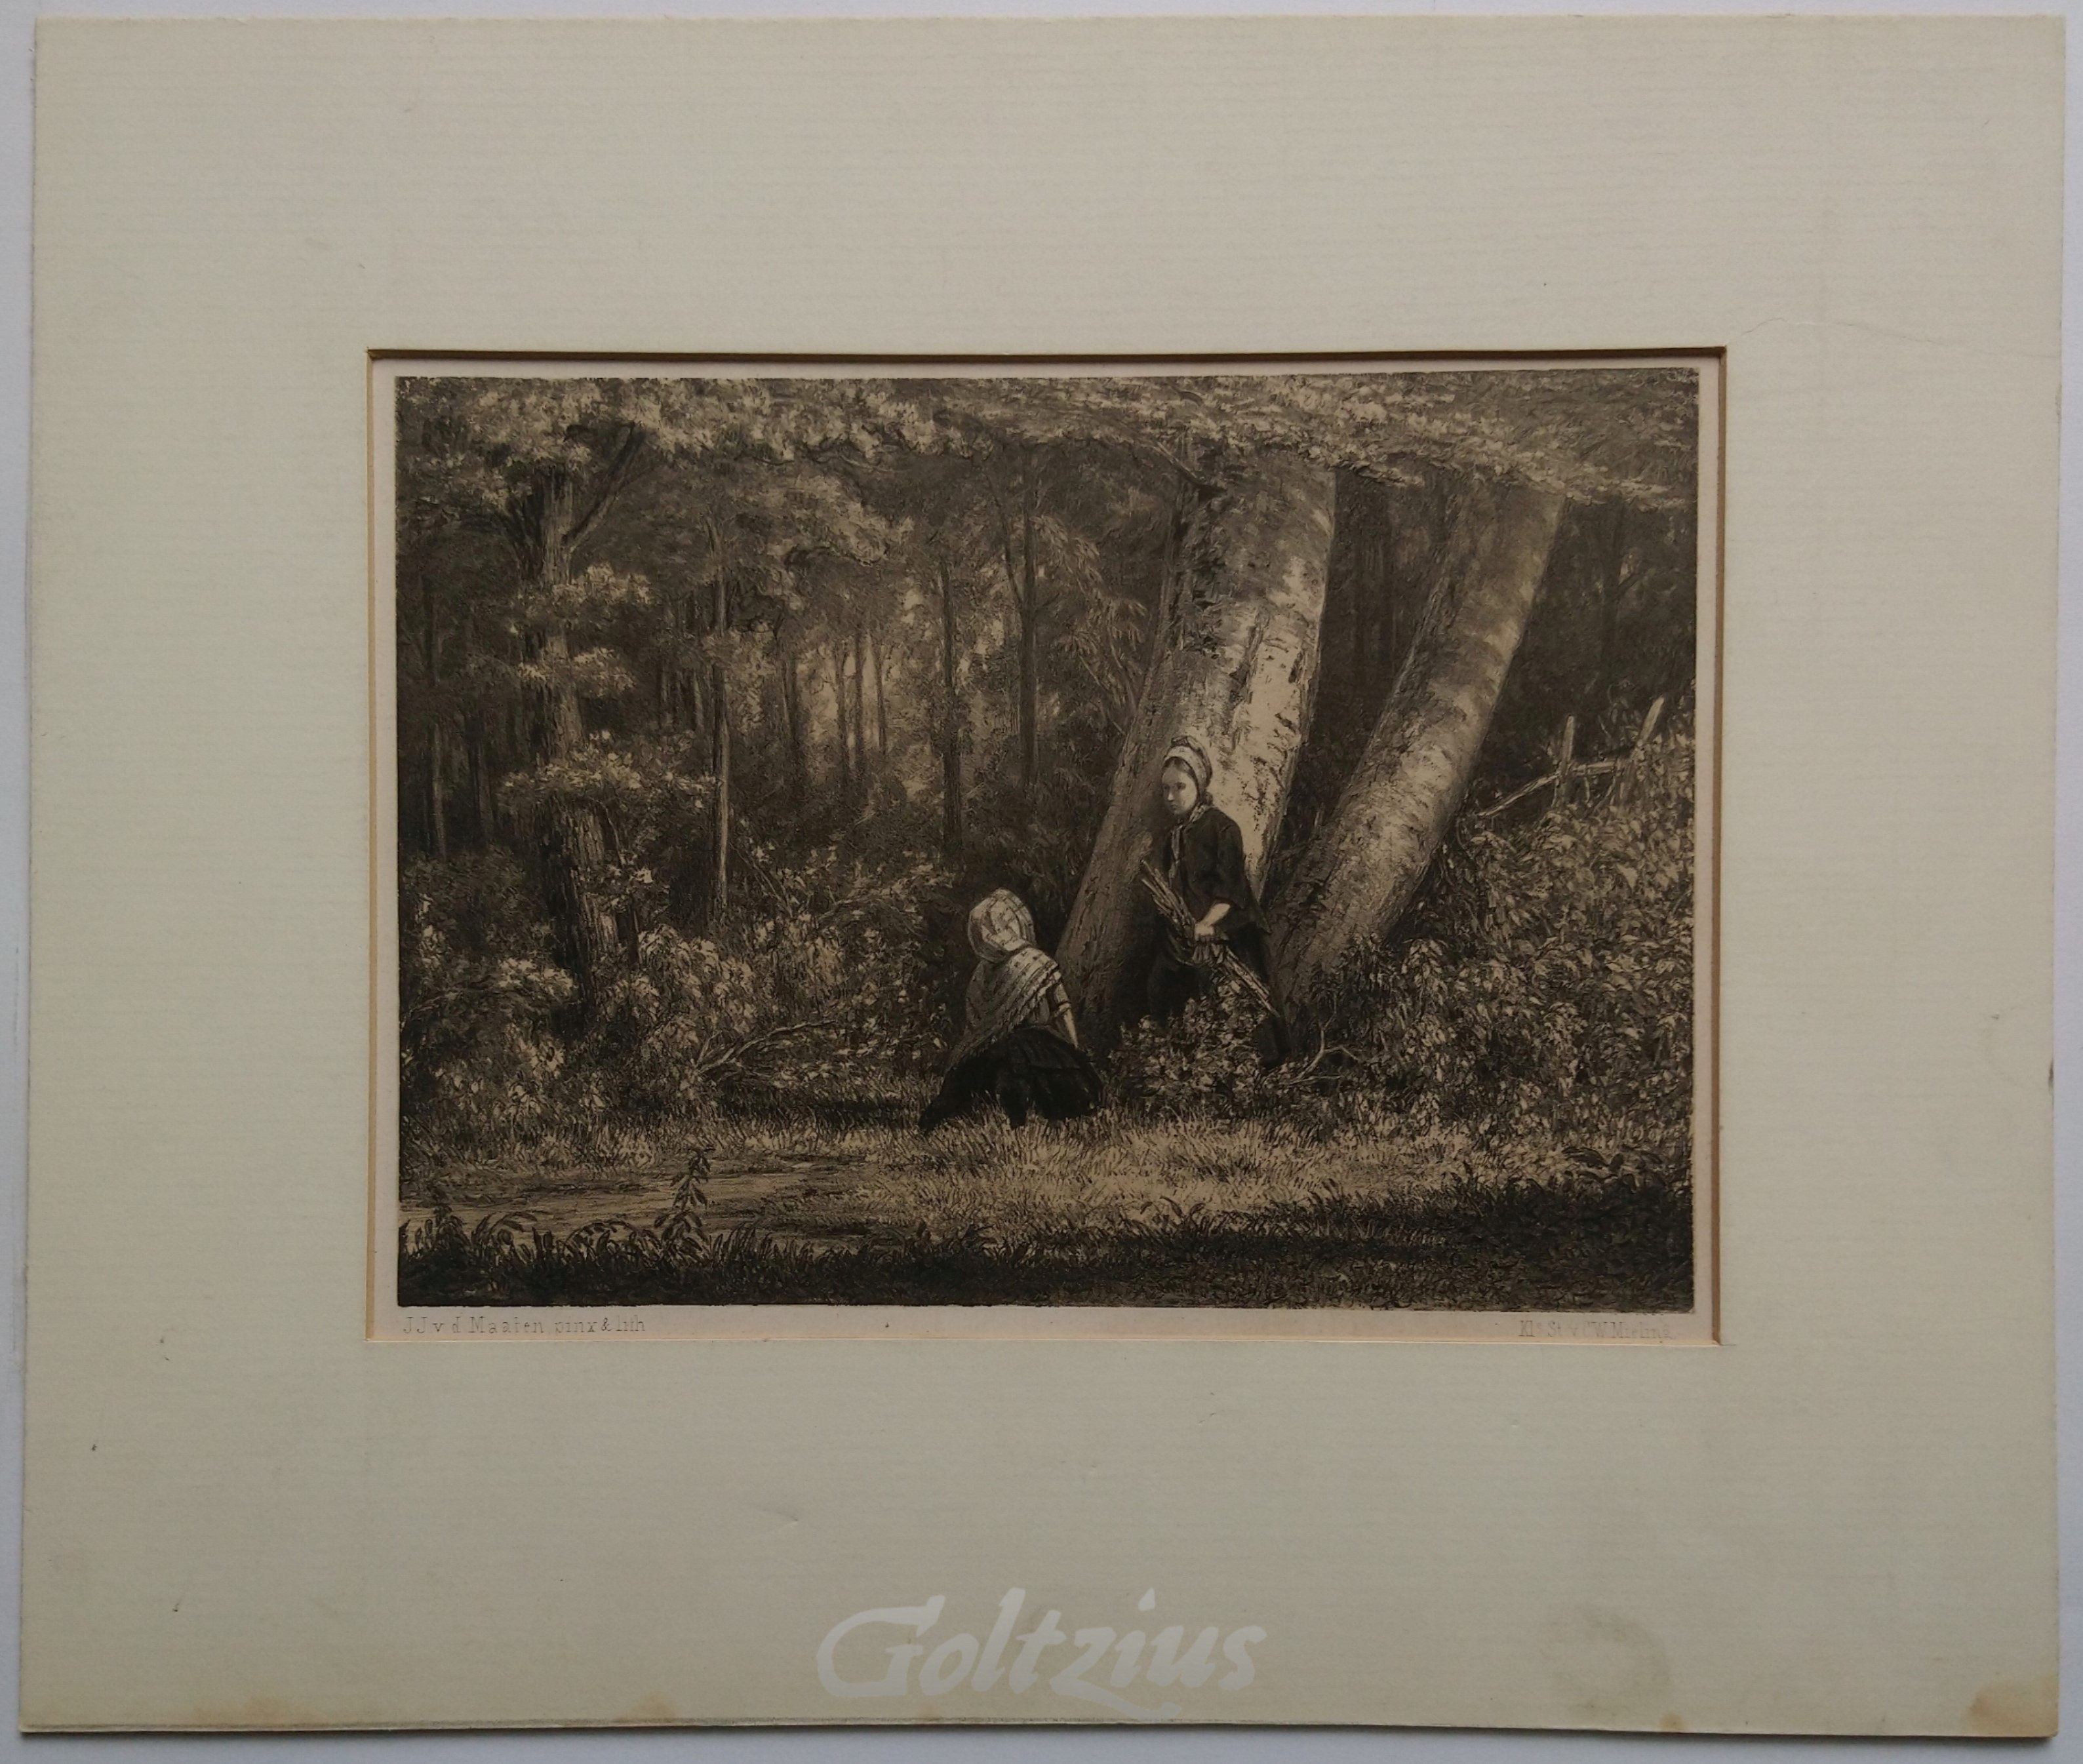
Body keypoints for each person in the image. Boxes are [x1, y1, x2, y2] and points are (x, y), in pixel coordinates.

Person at [1145, 735, 1290, 1058]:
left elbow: (1231, 889)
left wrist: (1208, 925)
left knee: (1240, 1004)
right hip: (1190, 934)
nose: (1170, 797)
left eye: (1179, 787)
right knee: (1160, 987)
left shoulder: (1223, 829)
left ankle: (1259, 1071)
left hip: (1230, 931)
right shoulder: (1175, 836)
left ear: (1198, 784)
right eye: (1165, 789)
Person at [919, 889, 1104, 1132]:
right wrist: (1074, 1051)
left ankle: (1012, 1119)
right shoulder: (1035, 962)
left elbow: (975, 1026)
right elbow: (1061, 1010)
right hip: (1031, 1047)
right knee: (1025, 1066)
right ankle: (1027, 1120)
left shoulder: (981, 974)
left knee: (997, 1070)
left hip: (1003, 1050)